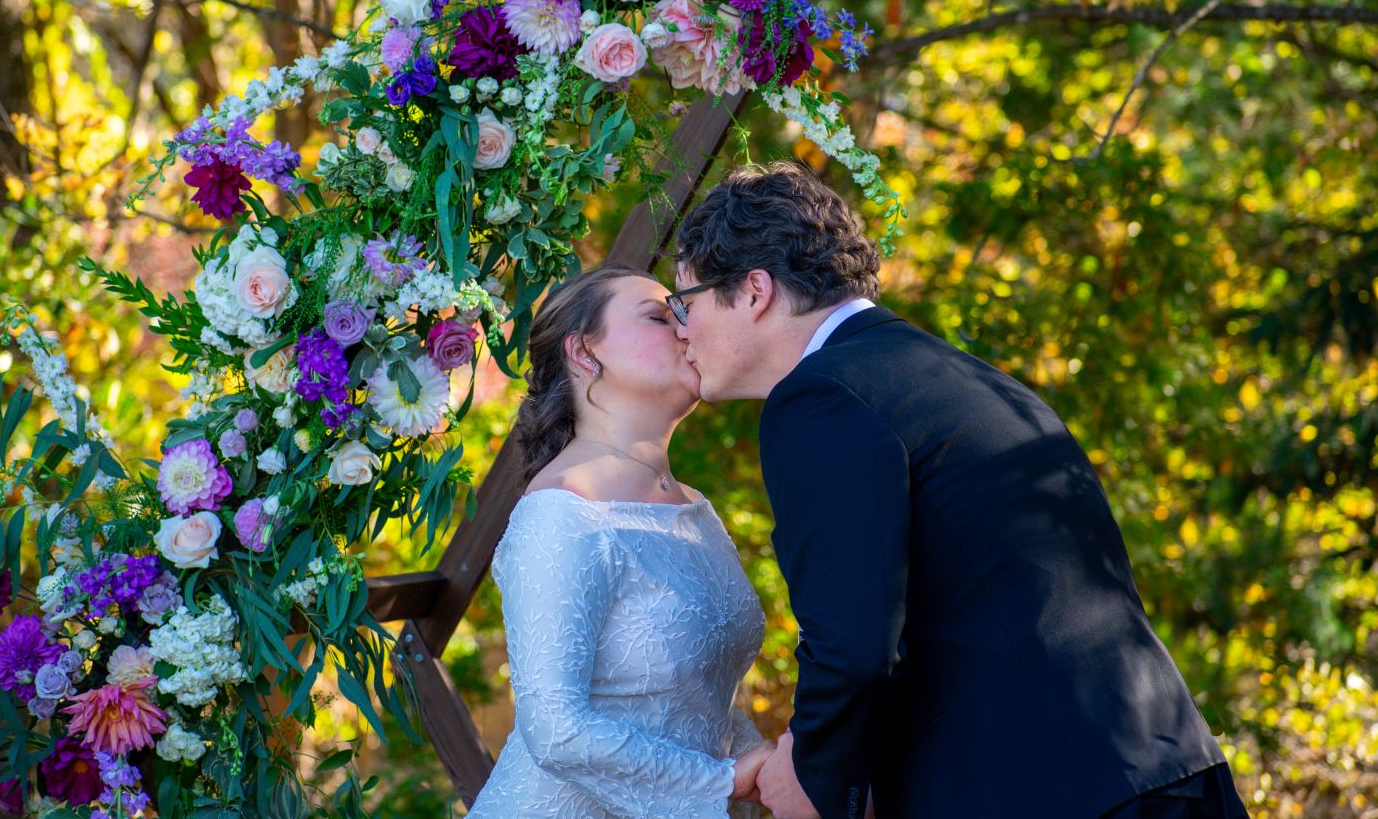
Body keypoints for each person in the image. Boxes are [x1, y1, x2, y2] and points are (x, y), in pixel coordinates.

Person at [668, 162, 1247, 819]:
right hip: (1166, 764)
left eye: (686, 301)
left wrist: (814, 777)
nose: (681, 328)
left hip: (1046, 791)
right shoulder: (959, 377)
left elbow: (854, 643)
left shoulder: (821, 398)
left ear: (753, 291)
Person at [467, 264, 776, 818]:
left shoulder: (694, 508)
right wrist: (722, 780)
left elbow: (695, 696)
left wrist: (765, 766)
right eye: (661, 316)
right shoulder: (562, 512)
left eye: (684, 314)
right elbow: (555, 729)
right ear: (585, 353)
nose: (687, 329)